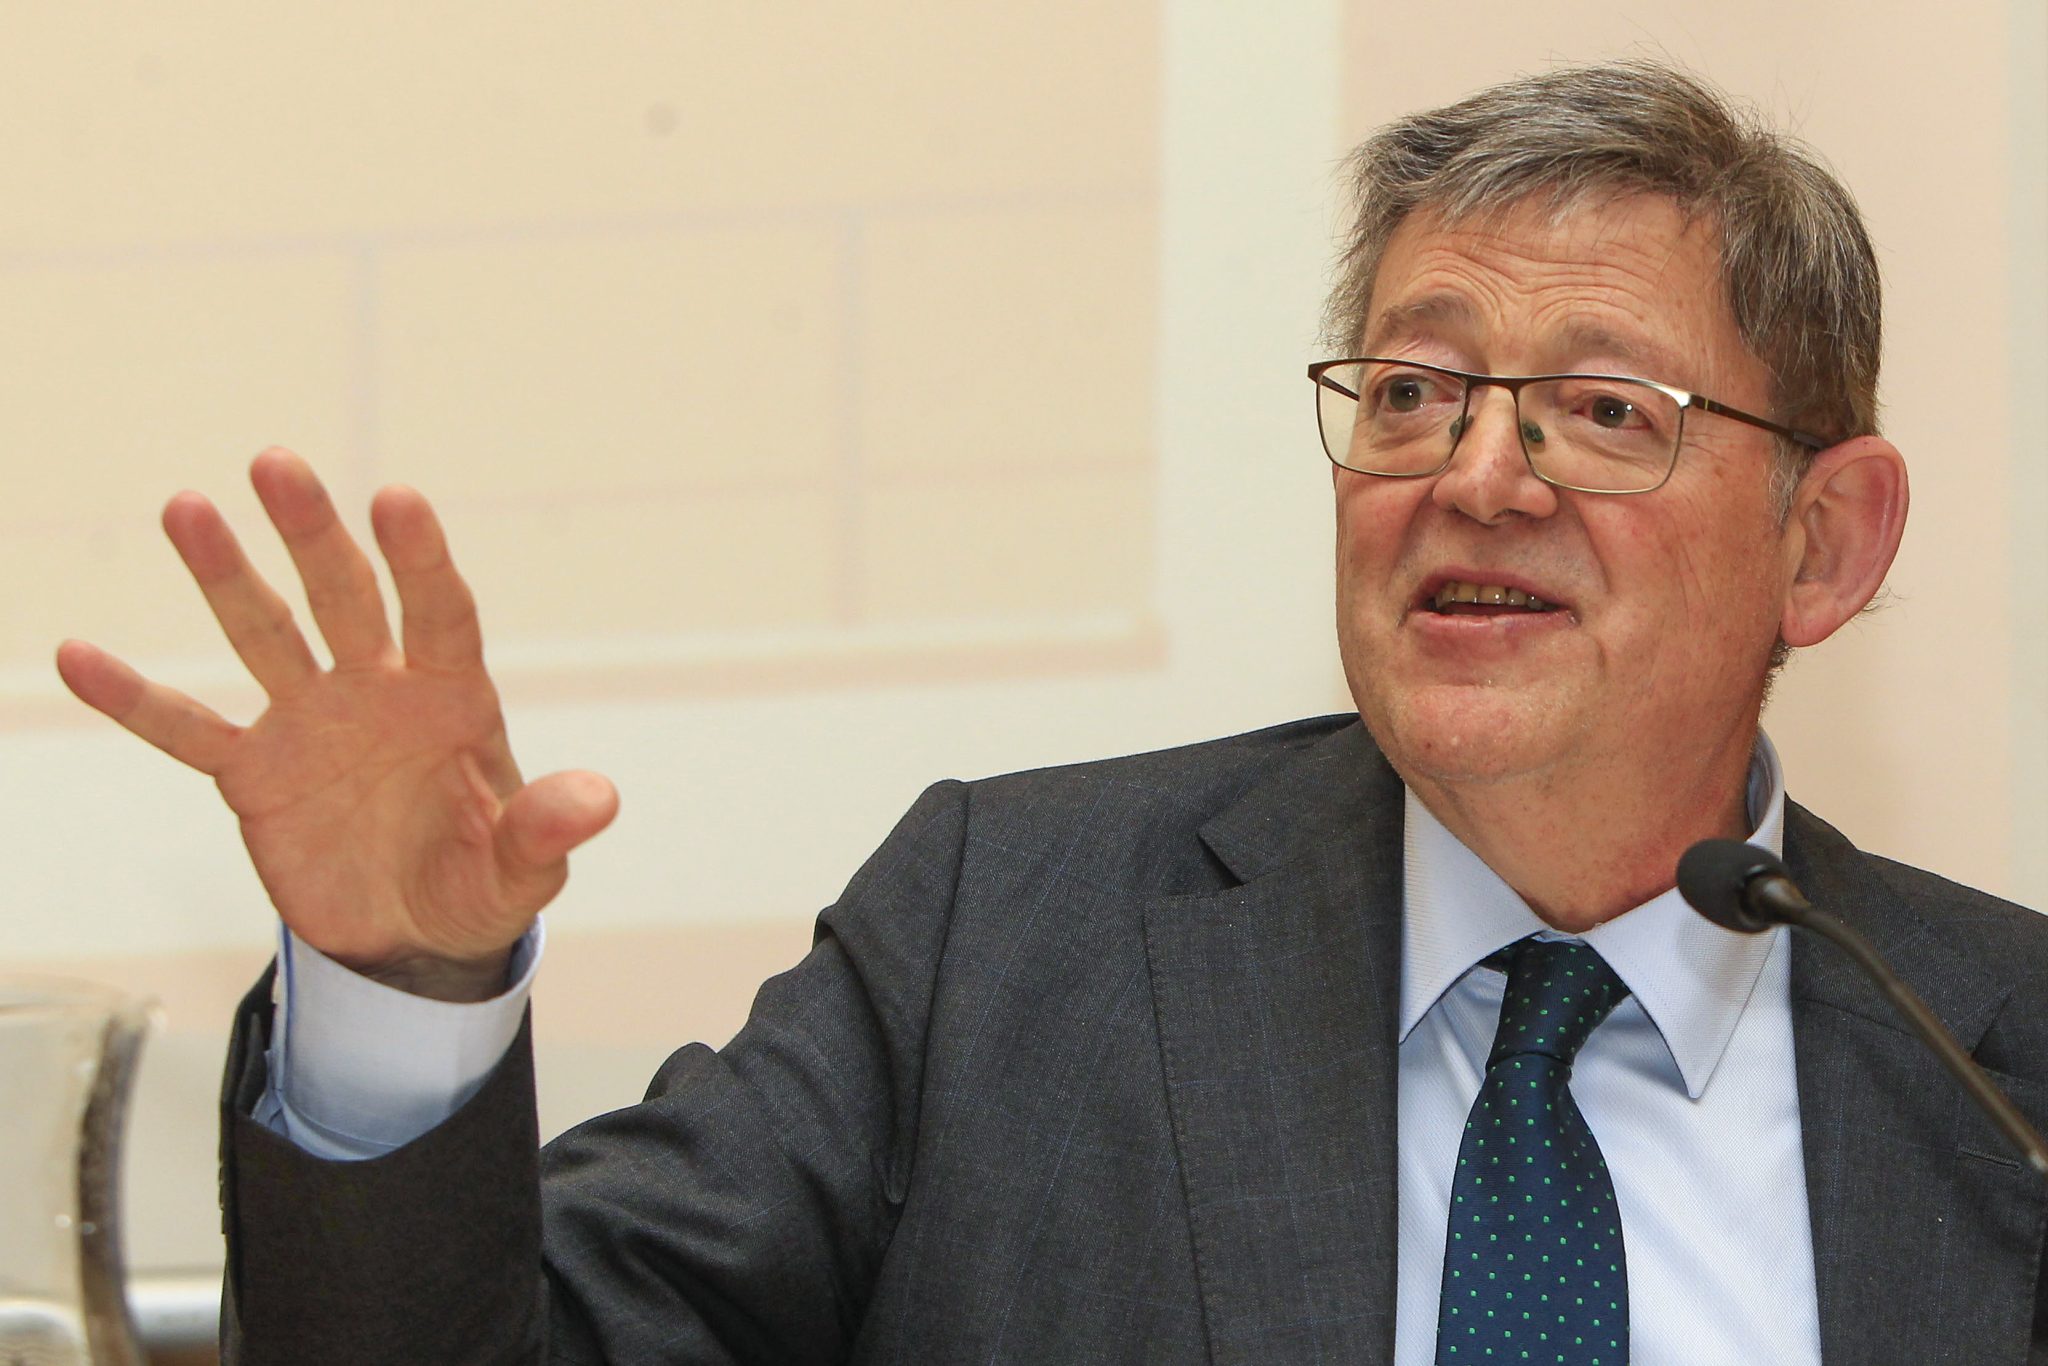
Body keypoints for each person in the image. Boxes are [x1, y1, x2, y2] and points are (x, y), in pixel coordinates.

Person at [58, 61, 2048, 1365]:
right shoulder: (1005, 932)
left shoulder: (2004, 1070)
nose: (1476, 473)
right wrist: (397, 989)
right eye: (1414, 389)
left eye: (1602, 409)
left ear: (1822, 541)